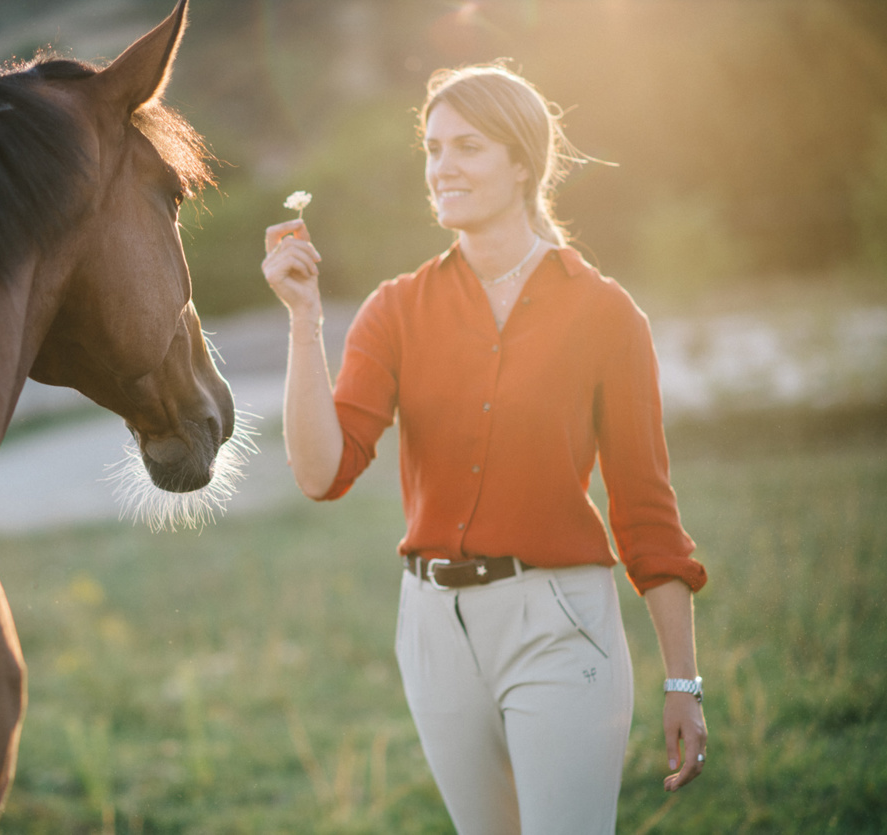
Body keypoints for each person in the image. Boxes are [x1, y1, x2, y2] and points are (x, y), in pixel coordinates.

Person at [261, 62, 708, 834]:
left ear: (521, 161)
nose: (442, 168)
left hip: (559, 620)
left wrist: (683, 680)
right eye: (432, 149)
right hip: (433, 628)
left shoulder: (605, 314)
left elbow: (644, 509)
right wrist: (303, 318)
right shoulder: (395, 309)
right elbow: (319, 471)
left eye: (466, 146)